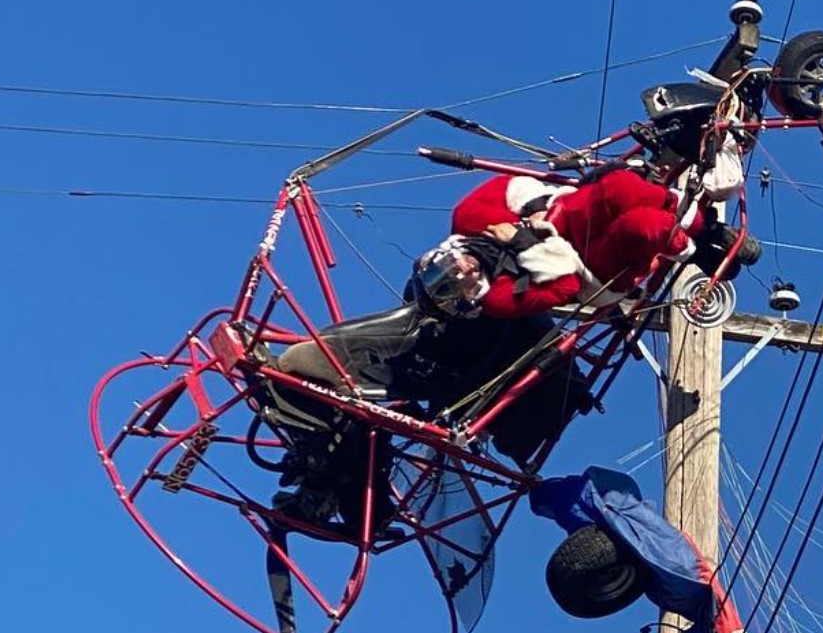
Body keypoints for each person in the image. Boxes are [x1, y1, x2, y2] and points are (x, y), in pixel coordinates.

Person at [265, 143, 759, 537]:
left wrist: (530, 236)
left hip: (480, 351)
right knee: (345, 364)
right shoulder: (489, 261)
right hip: (457, 348)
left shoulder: (516, 273)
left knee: (633, 216)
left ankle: (338, 477)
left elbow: (569, 268)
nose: (458, 273)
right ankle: (336, 478)